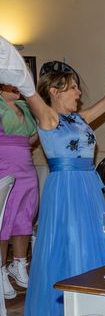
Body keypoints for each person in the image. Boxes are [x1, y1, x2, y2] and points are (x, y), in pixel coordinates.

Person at [0, 41, 105, 316]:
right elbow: (29, 92)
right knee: (66, 247)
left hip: (88, 189)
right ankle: (60, 313)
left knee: (92, 245)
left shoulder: (79, 119)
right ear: (54, 91)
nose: (79, 93)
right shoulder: (47, 118)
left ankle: (91, 307)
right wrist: (17, 70)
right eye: (72, 88)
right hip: (65, 190)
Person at [0, 83, 38, 299]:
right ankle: (0, 270)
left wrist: (21, 145)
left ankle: (19, 264)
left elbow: (33, 136)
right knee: (3, 219)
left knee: (24, 216)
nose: (16, 87)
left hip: (26, 167)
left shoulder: (25, 106)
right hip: (3, 167)